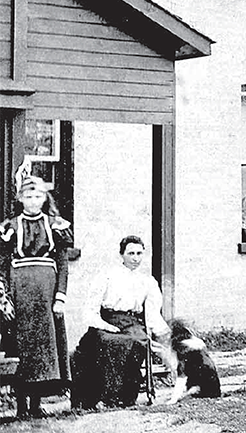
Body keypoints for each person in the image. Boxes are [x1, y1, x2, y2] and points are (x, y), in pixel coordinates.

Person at [0, 175, 72, 418]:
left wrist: (60, 296)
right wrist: (4, 298)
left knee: (44, 347)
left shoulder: (55, 225)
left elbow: (62, 265)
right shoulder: (10, 226)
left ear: (45, 198)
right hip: (20, 291)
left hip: (46, 292)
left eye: (38, 196)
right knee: (22, 346)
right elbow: (1, 266)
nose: (33, 201)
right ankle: (21, 405)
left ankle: (36, 404)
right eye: (28, 196)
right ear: (20, 198)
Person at [71, 235, 170, 410]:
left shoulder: (147, 281)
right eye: (131, 253)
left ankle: (123, 397)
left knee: (137, 342)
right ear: (121, 254)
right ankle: (101, 397)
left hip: (132, 323)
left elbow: (152, 313)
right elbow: (90, 309)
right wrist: (106, 325)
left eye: (139, 253)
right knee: (108, 342)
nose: (135, 258)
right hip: (107, 320)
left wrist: (164, 335)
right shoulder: (107, 275)